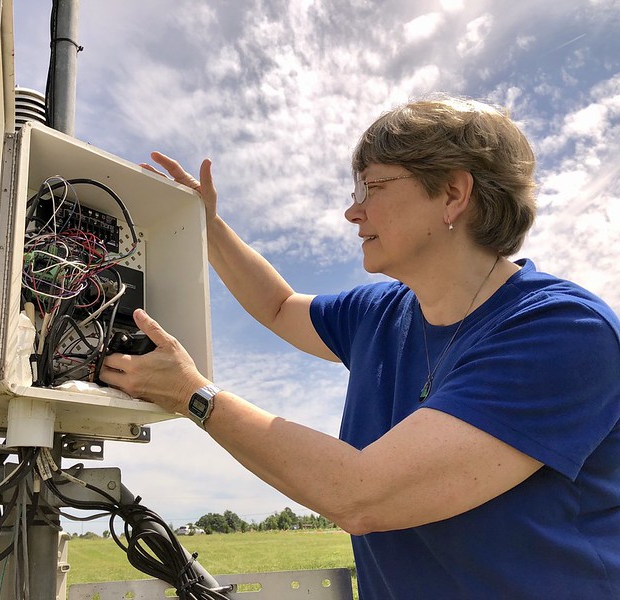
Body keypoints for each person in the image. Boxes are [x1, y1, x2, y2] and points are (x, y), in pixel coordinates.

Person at [100, 94, 620, 599]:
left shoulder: (562, 330)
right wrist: (206, 226)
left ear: (453, 194)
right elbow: (280, 306)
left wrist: (193, 395)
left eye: (372, 188)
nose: (354, 212)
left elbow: (361, 494)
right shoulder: (382, 312)